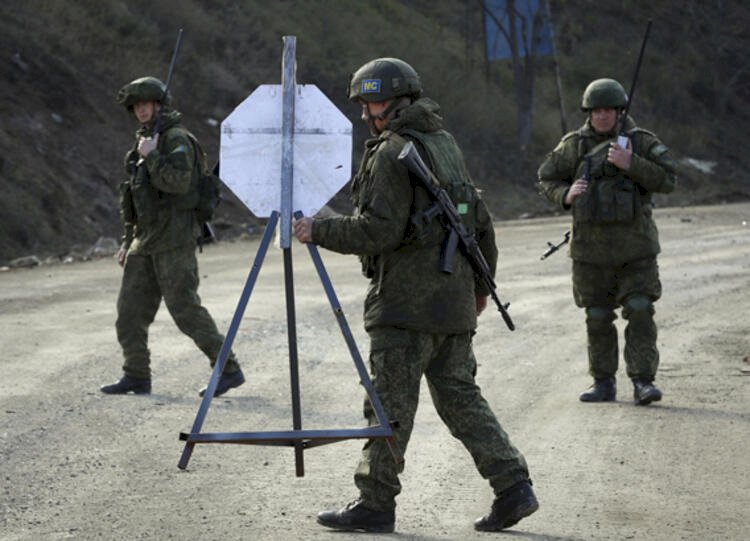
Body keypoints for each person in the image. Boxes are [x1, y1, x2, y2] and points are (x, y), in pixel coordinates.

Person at [293, 58, 538, 533]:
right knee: (462, 401)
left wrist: (317, 230)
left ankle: (375, 503)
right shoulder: (445, 145)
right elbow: (480, 223)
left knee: (388, 408)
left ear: (400, 100)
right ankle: (514, 487)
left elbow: (378, 231)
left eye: (375, 102)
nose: (368, 113)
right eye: (364, 103)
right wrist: (479, 288)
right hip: (452, 306)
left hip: (404, 309)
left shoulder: (392, 153)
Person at [100, 76, 244, 397]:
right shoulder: (143, 142)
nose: (140, 110)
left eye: (145, 104)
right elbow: (134, 200)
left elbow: (178, 183)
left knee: (185, 311)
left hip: (175, 239)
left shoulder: (177, 139)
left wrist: (152, 156)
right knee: (129, 314)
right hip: (145, 241)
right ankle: (136, 375)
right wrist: (127, 241)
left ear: (159, 105)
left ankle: (228, 369)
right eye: (135, 106)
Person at [537, 78, 677, 405]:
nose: (602, 116)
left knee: (640, 309)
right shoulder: (574, 145)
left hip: (636, 250)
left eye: (608, 110)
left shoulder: (640, 141)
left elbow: (669, 178)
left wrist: (632, 164)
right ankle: (603, 382)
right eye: (596, 111)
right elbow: (546, 176)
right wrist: (564, 195)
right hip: (590, 252)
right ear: (589, 113)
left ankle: (643, 380)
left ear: (619, 111)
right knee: (597, 316)